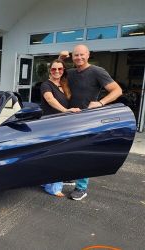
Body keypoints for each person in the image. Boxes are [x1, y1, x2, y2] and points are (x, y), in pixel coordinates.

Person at [60, 45, 122, 201]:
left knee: (84, 153)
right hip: (70, 117)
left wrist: (101, 103)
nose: (79, 58)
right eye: (76, 55)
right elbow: (57, 73)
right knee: (70, 150)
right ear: (72, 57)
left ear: (88, 55)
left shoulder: (97, 71)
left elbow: (117, 90)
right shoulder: (71, 73)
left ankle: (81, 188)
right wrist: (61, 59)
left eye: (82, 55)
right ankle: (71, 176)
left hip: (87, 119)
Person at [40, 59, 81, 197]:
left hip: (62, 124)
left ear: (63, 71)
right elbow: (50, 100)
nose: (57, 71)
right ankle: (53, 188)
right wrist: (65, 110)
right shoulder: (46, 85)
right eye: (53, 69)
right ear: (49, 70)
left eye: (60, 69)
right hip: (50, 125)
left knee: (55, 155)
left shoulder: (63, 85)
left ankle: (46, 182)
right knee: (56, 155)